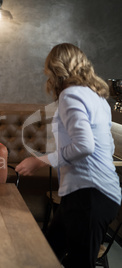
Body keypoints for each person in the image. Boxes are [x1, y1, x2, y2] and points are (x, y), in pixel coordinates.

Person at [15, 43, 121, 267]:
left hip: (90, 195)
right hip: (90, 194)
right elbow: (108, 146)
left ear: (56, 68)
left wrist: (39, 161)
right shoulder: (97, 97)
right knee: (47, 255)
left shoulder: (70, 95)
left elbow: (84, 146)